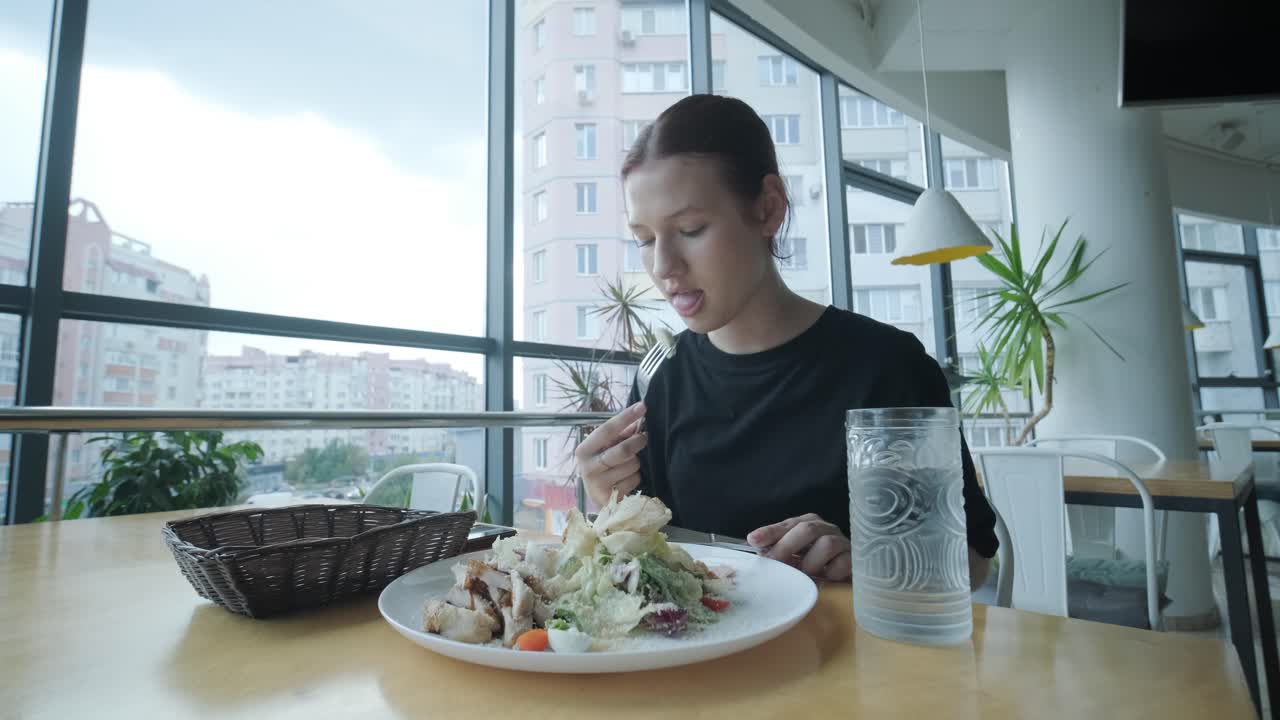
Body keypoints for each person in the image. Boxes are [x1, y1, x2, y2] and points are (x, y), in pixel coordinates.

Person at [573, 94, 997, 587]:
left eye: (690, 229)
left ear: (768, 209)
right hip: (708, 657)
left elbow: (972, 563)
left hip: (854, 654)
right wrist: (609, 501)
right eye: (644, 239)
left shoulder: (885, 367)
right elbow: (656, 558)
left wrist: (867, 559)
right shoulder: (664, 377)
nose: (663, 266)